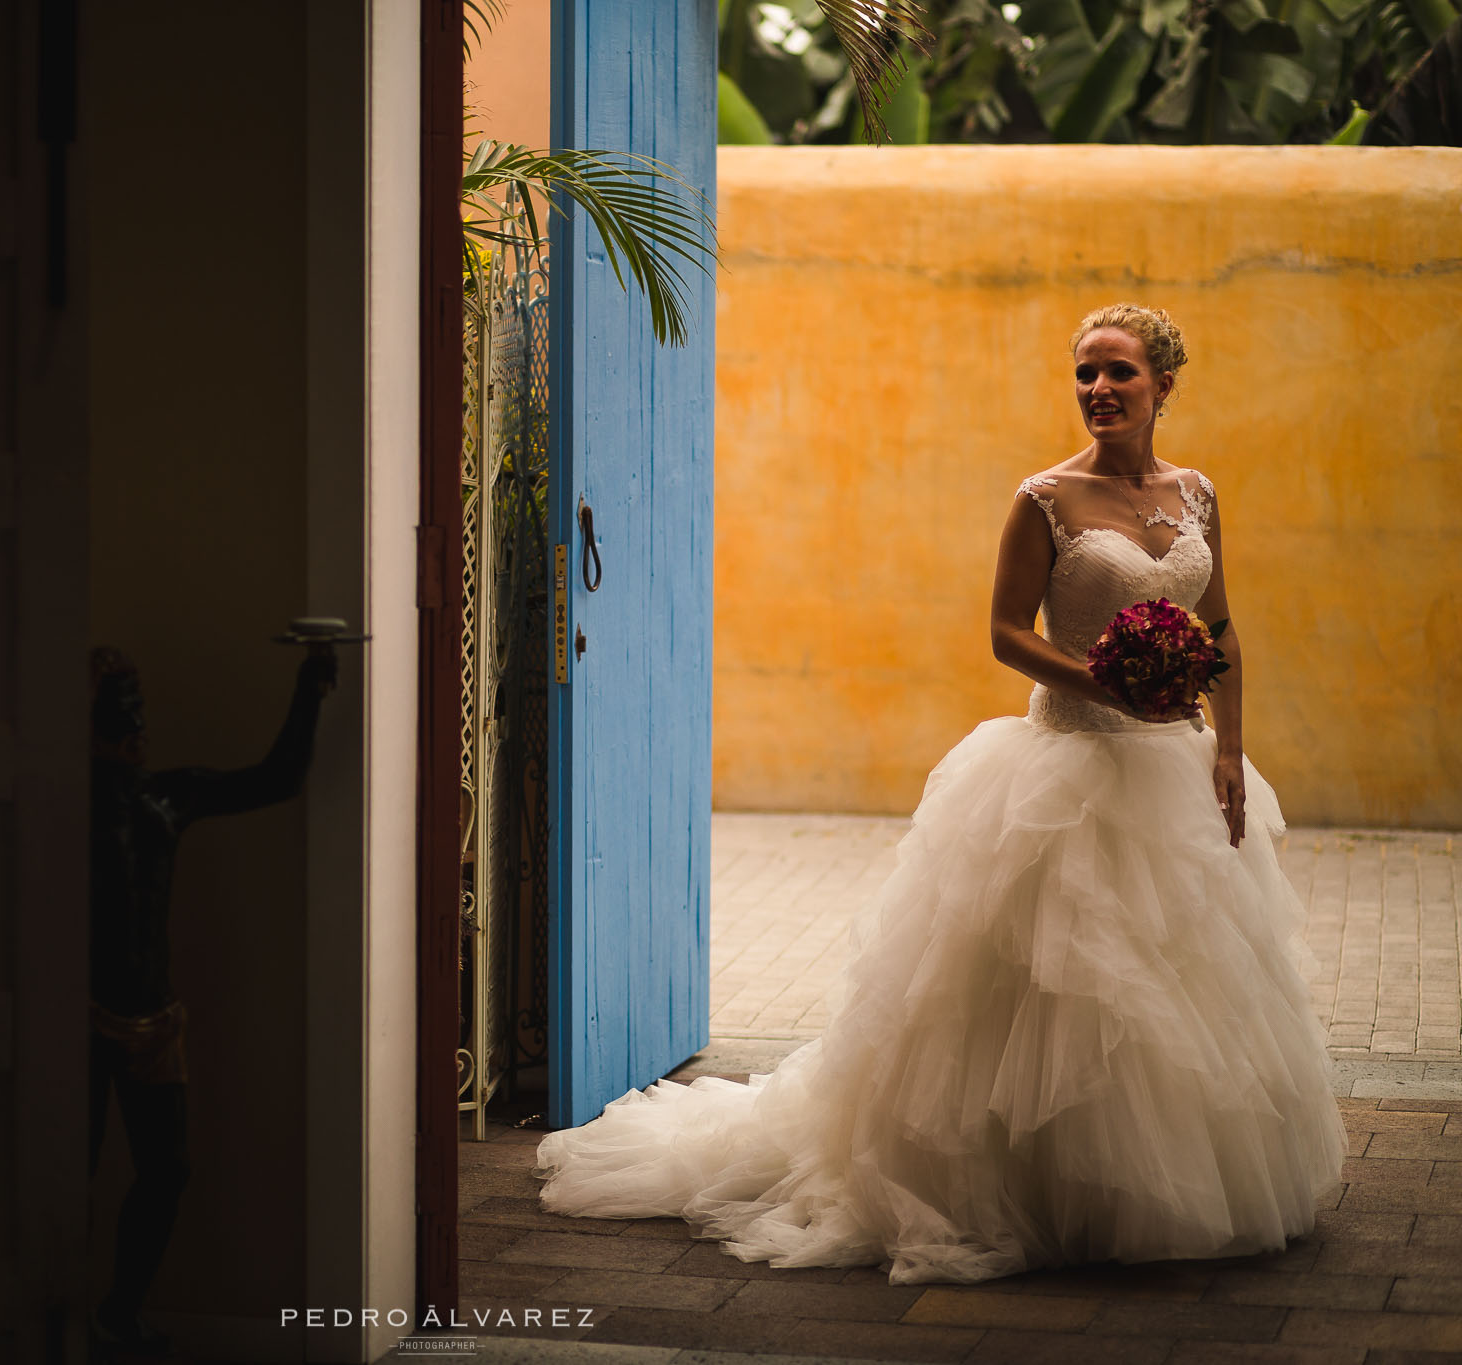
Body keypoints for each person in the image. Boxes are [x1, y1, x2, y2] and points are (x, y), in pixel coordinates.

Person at [534, 304, 1345, 1285]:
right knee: (1051, 994)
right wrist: (1109, 683)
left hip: (1176, 767)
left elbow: (1218, 632)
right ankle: (1034, 1188)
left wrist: (1227, 751)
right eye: (1083, 373)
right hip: (1066, 768)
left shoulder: (1198, 493)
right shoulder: (1044, 497)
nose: (1096, 389)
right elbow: (1006, 634)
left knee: (1177, 989)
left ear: (1162, 386)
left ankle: (1155, 1188)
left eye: (1117, 374)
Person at [86, 643, 337, 1352]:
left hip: (152, 1017)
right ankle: (57, 1316)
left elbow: (277, 777)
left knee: (167, 1170)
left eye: (139, 716)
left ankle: (115, 1313)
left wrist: (309, 688)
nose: (137, 731)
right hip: (77, 1016)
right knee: (63, 1167)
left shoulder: (167, 795)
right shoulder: (58, 797)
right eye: (119, 716)